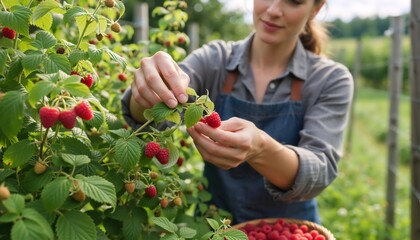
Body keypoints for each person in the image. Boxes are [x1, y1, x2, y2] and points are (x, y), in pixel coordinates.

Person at [122, 0, 353, 224]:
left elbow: (318, 172)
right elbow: (149, 115)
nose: (273, 10)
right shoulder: (215, 60)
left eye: (293, 1)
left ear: (316, 9)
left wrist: (260, 147)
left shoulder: (329, 79)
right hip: (215, 227)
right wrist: (149, 89)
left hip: (290, 230)